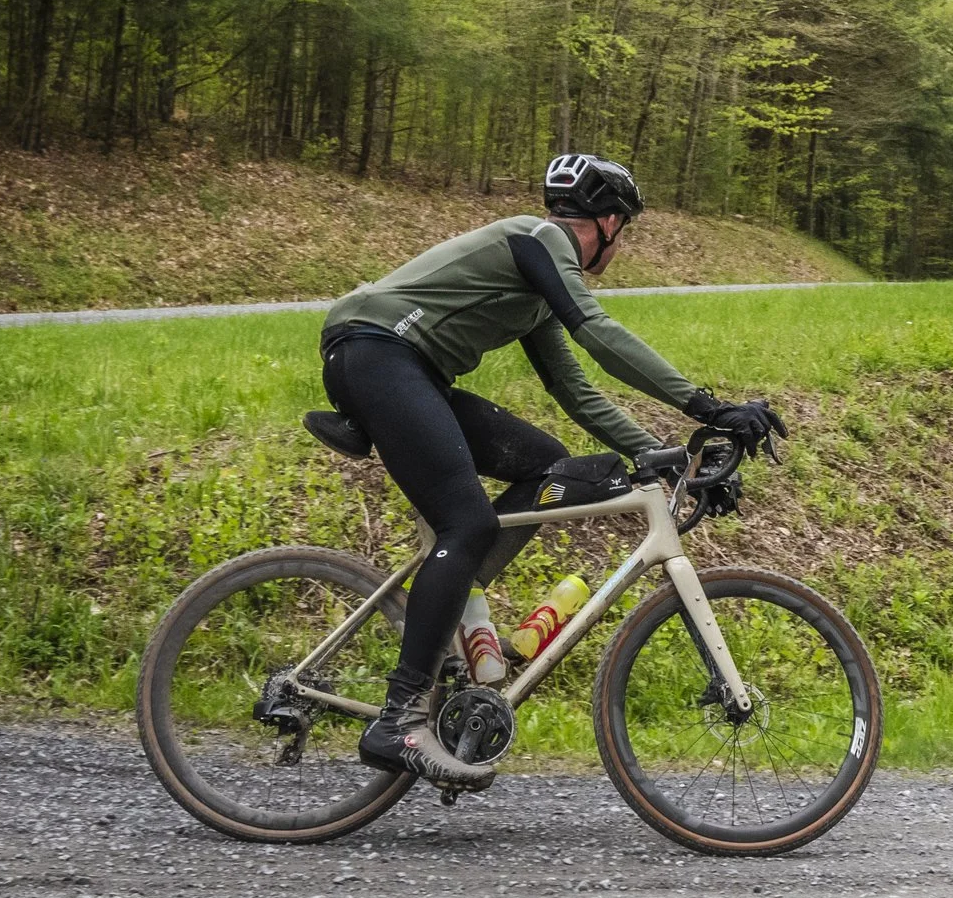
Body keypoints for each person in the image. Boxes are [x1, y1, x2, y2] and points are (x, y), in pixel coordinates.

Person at [316, 152, 780, 790]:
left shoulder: (534, 287)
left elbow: (576, 390)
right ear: (610, 223)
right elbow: (595, 330)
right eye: (625, 233)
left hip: (404, 368)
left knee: (549, 466)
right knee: (469, 521)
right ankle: (398, 719)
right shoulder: (541, 241)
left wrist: (667, 453)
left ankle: (452, 592)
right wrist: (708, 406)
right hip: (376, 353)